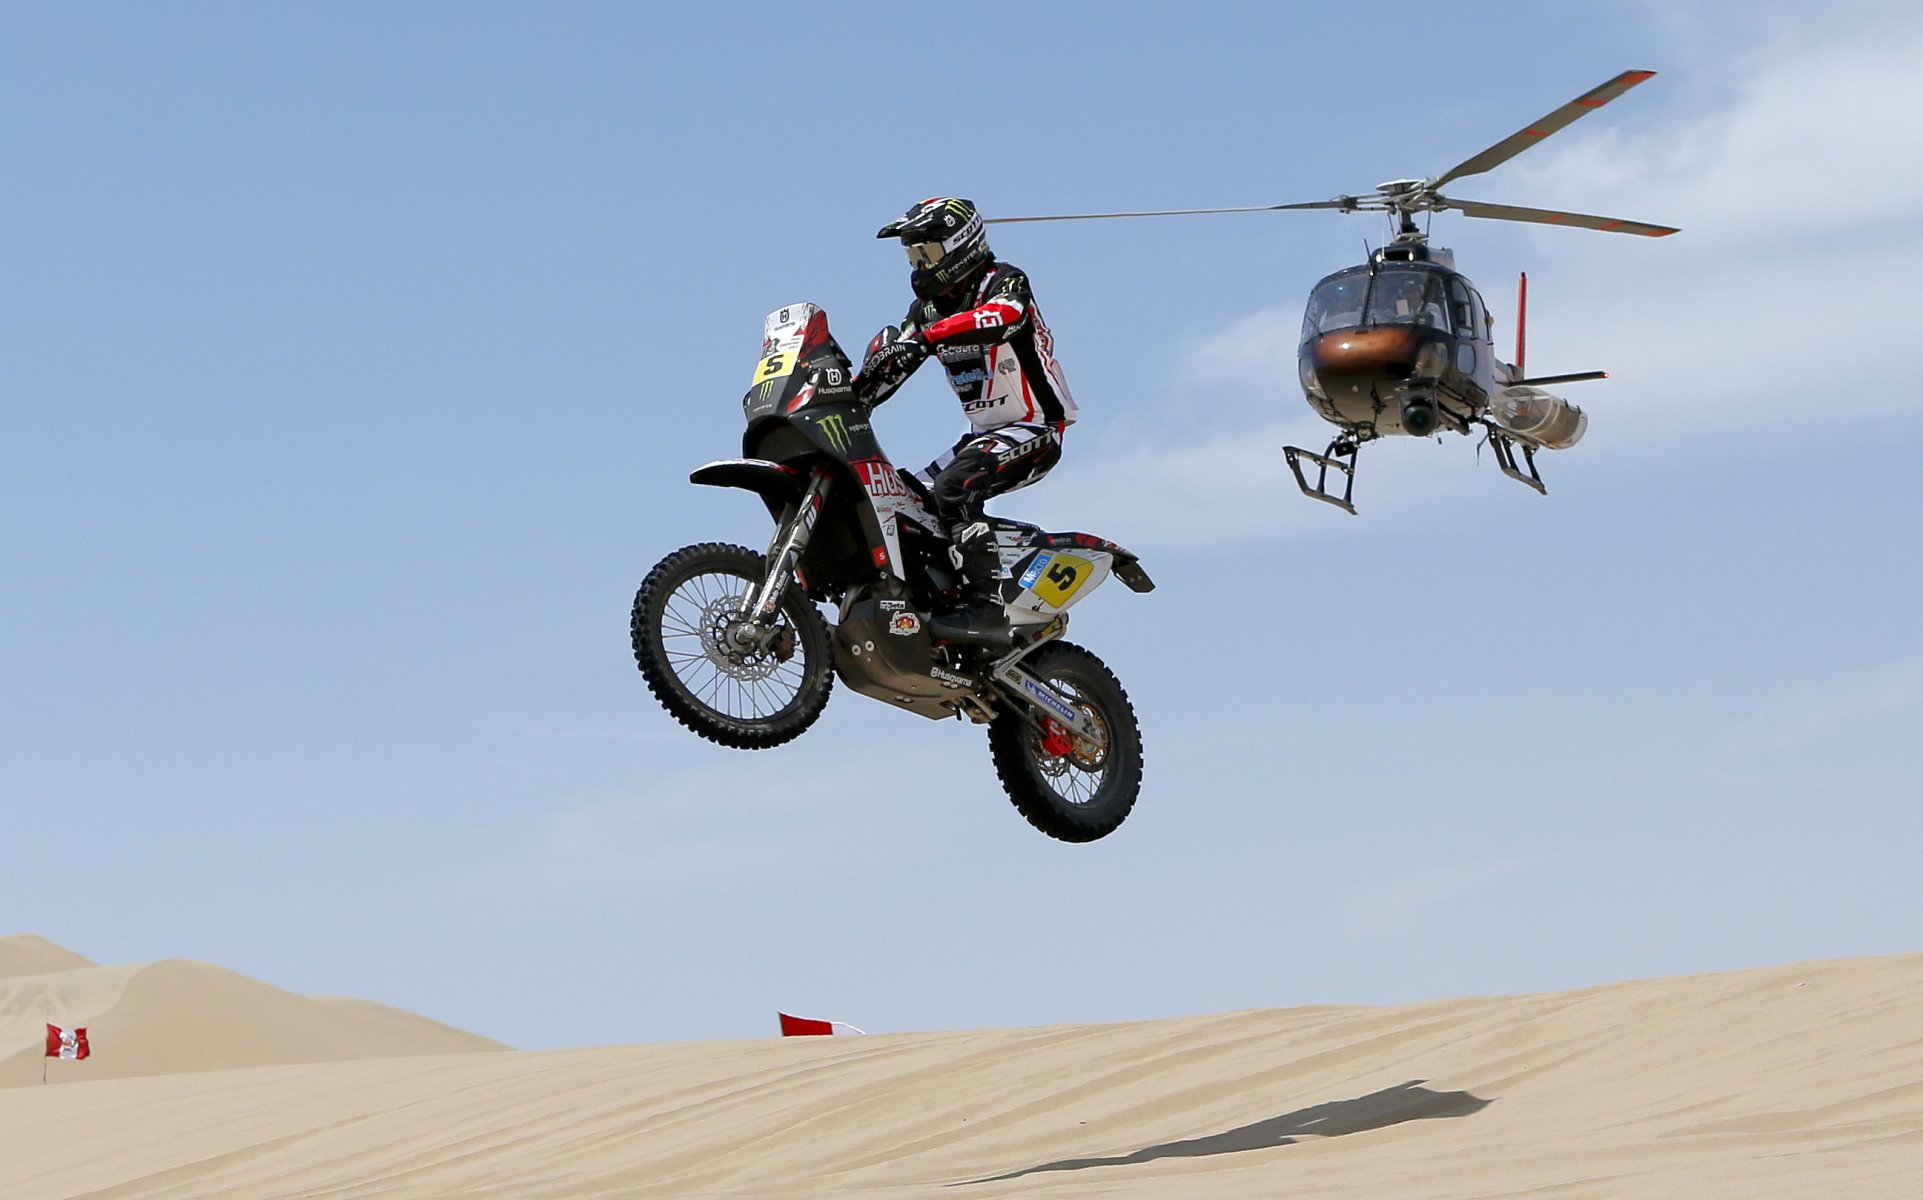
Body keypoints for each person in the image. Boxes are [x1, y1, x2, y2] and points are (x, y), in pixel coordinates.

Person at [856, 197, 1077, 644]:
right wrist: (853, 388)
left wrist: (926, 339)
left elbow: (1004, 318)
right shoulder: (927, 310)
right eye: (913, 254)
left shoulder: (1004, 281)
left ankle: (987, 610)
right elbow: (890, 369)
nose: (920, 263)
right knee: (901, 502)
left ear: (963, 245)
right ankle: (937, 598)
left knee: (953, 487)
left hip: (1036, 428)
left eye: (929, 252)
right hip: (981, 437)